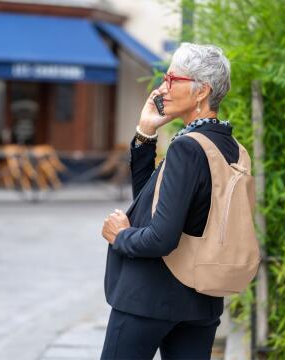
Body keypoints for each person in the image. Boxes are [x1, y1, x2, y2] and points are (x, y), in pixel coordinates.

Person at [100, 42, 238, 360]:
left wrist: (120, 235)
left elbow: (160, 237)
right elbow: (151, 206)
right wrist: (147, 132)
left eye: (171, 79)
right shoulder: (228, 147)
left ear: (201, 91)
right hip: (200, 302)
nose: (162, 88)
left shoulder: (188, 148)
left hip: (149, 299)